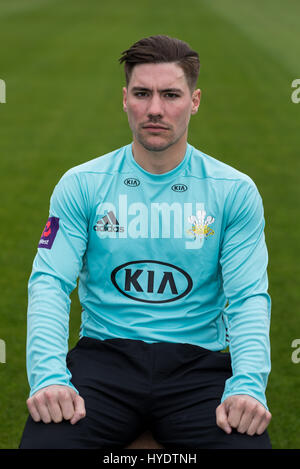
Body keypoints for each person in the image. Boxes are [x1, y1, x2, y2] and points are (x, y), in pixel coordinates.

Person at [19, 35, 272, 449]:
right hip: (104, 359)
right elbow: (49, 283)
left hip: (198, 366)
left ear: (195, 101)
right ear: (125, 99)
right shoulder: (82, 184)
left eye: (171, 94)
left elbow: (248, 299)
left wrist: (246, 387)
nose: (155, 109)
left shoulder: (233, 191)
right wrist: (48, 377)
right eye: (142, 93)